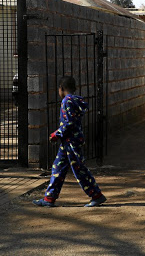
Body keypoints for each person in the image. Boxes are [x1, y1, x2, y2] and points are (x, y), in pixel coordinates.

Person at [33, 76, 106, 207]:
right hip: (68, 142)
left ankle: (97, 195)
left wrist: (56, 134)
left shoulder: (67, 101)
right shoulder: (75, 101)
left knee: (79, 169)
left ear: (61, 88)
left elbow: (69, 123)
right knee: (58, 168)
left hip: (71, 142)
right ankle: (49, 199)